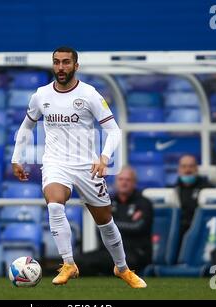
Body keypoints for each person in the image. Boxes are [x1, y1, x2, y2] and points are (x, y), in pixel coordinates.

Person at [11, 46, 147, 288]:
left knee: (105, 222)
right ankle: (69, 264)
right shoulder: (41, 95)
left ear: (76, 66)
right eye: (56, 62)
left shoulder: (90, 94)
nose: (60, 67)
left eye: (65, 62)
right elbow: (26, 127)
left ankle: (122, 268)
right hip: (55, 163)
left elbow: (113, 130)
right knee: (54, 205)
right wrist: (16, 157)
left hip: (86, 166)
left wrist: (104, 157)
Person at [74, 166, 153, 276]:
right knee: (79, 261)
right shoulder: (108, 202)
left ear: (134, 183)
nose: (124, 183)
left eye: (128, 180)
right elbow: (100, 227)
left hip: (135, 253)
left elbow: (139, 227)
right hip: (109, 252)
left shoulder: (144, 203)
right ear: (116, 182)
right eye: (121, 179)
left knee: (126, 261)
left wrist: (111, 224)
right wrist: (122, 224)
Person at [175, 155, 212, 238]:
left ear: (196, 169)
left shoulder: (207, 189)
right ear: (179, 170)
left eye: (191, 166)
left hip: (200, 229)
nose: (187, 170)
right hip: (177, 230)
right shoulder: (173, 190)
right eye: (184, 166)